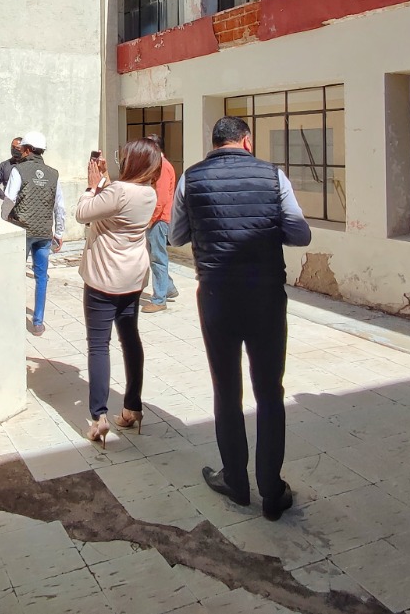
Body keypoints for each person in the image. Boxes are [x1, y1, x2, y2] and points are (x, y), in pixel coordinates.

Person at [168, 116, 311, 520]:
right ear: (247, 141)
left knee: (227, 389)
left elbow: (176, 236)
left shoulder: (191, 178)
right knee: (269, 392)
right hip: (266, 295)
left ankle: (235, 479)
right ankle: (271, 491)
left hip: (217, 294)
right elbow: (300, 234)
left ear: (214, 142)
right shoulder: (273, 176)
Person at [75, 139, 161, 446]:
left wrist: (92, 186)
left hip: (103, 278)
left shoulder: (118, 192)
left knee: (99, 345)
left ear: (131, 161)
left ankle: (98, 416)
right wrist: (105, 182)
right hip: (132, 278)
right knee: (130, 339)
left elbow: (83, 213)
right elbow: (116, 203)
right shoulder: (148, 192)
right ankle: (132, 406)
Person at [1, 130, 64, 335]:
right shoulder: (54, 174)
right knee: (42, 277)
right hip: (44, 233)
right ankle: (38, 322)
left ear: (27, 150)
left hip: (23, 231)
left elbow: (9, 199)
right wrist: (59, 232)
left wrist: (4, 219)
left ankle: (12, 315)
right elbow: (59, 206)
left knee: (16, 273)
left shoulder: (18, 170)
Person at [142, 133, 179, 314]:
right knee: (155, 257)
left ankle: (159, 299)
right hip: (156, 218)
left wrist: (150, 220)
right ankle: (168, 288)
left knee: (158, 259)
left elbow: (161, 198)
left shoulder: (163, 167)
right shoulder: (157, 165)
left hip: (159, 219)